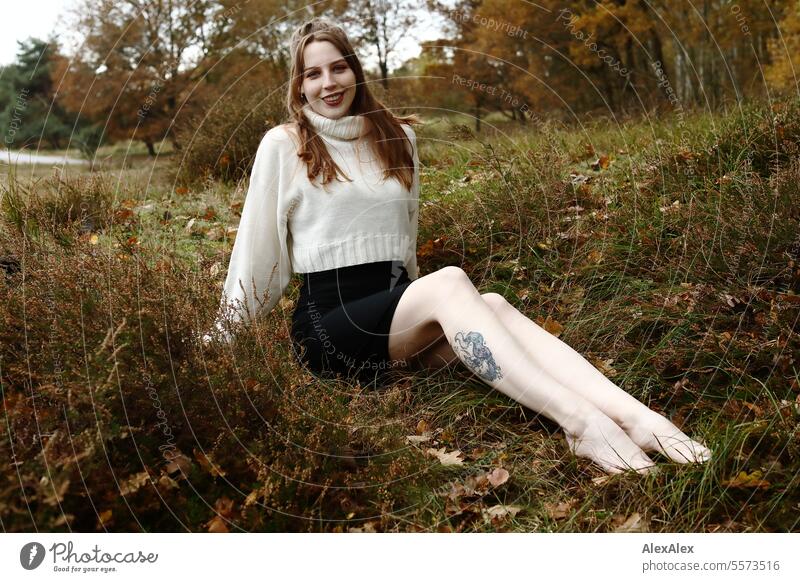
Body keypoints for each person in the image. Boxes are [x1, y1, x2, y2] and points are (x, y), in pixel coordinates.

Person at [204, 17, 712, 475]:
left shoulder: (397, 136)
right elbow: (257, 253)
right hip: (329, 324)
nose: (328, 83)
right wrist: (219, 340)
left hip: (394, 314)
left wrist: (437, 310)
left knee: (489, 305)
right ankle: (580, 424)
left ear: (356, 72)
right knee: (449, 284)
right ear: (298, 86)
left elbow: (405, 235)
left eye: (338, 68)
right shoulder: (284, 144)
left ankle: (641, 419)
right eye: (312, 74)